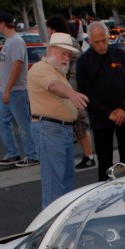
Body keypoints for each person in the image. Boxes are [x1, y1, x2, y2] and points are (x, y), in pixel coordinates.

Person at [27, 33, 89, 208]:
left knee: (65, 180)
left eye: (69, 55)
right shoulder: (41, 69)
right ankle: (51, 227)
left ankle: (58, 222)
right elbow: (54, 86)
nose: (67, 58)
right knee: (54, 185)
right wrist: (72, 94)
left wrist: (72, 105)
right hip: (49, 129)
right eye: (64, 53)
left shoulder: (56, 71)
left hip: (59, 130)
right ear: (52, 50)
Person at [77, 21, 125, 180]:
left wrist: (123, 109)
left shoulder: (120, 55)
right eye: (97, 42)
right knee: (105, 162)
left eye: (104, 40)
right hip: (101, 118)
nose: (102, 45)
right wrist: (107, 113)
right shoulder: (84, 62)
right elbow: (85, 93)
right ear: (89, 41)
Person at [0, 12, 38, 167]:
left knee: (23, 124)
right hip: (6, 89)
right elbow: (7, 69)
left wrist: (8, 89)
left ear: (3, 24)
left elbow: (17, 67)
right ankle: (12, 153)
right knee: (1, 121)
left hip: (17, 90)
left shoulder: (16, 42)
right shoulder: (8, 42)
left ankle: (32, 155)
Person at [46, 15, 95, 171]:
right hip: (68, 88)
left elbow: (72, 69)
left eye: (48, 28)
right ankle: (86, 156)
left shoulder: (68, 43)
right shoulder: (65, 42)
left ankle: (89, 156)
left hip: (72, 89)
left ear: (53, 29)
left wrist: (70, 92)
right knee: (75, 124)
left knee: (80, 123)